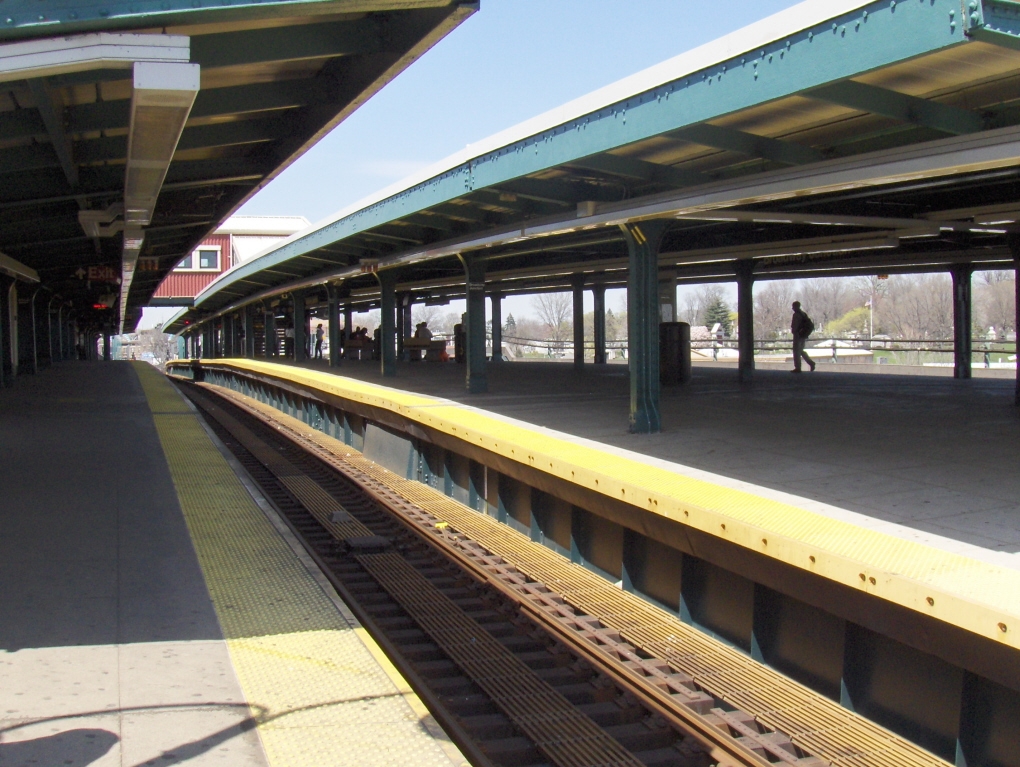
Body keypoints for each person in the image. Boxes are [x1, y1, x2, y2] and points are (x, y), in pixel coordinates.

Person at [790, 301, 816, 373]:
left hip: (798, 335)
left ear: (795, 307)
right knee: (800, 350)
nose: (792, 308)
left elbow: (795, 326)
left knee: (796, 352)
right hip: (803, 335)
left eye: (793, 306)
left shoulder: (796, 315)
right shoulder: (803, 314)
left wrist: (794, 332)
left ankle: (798, 367)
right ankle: (810, 362)